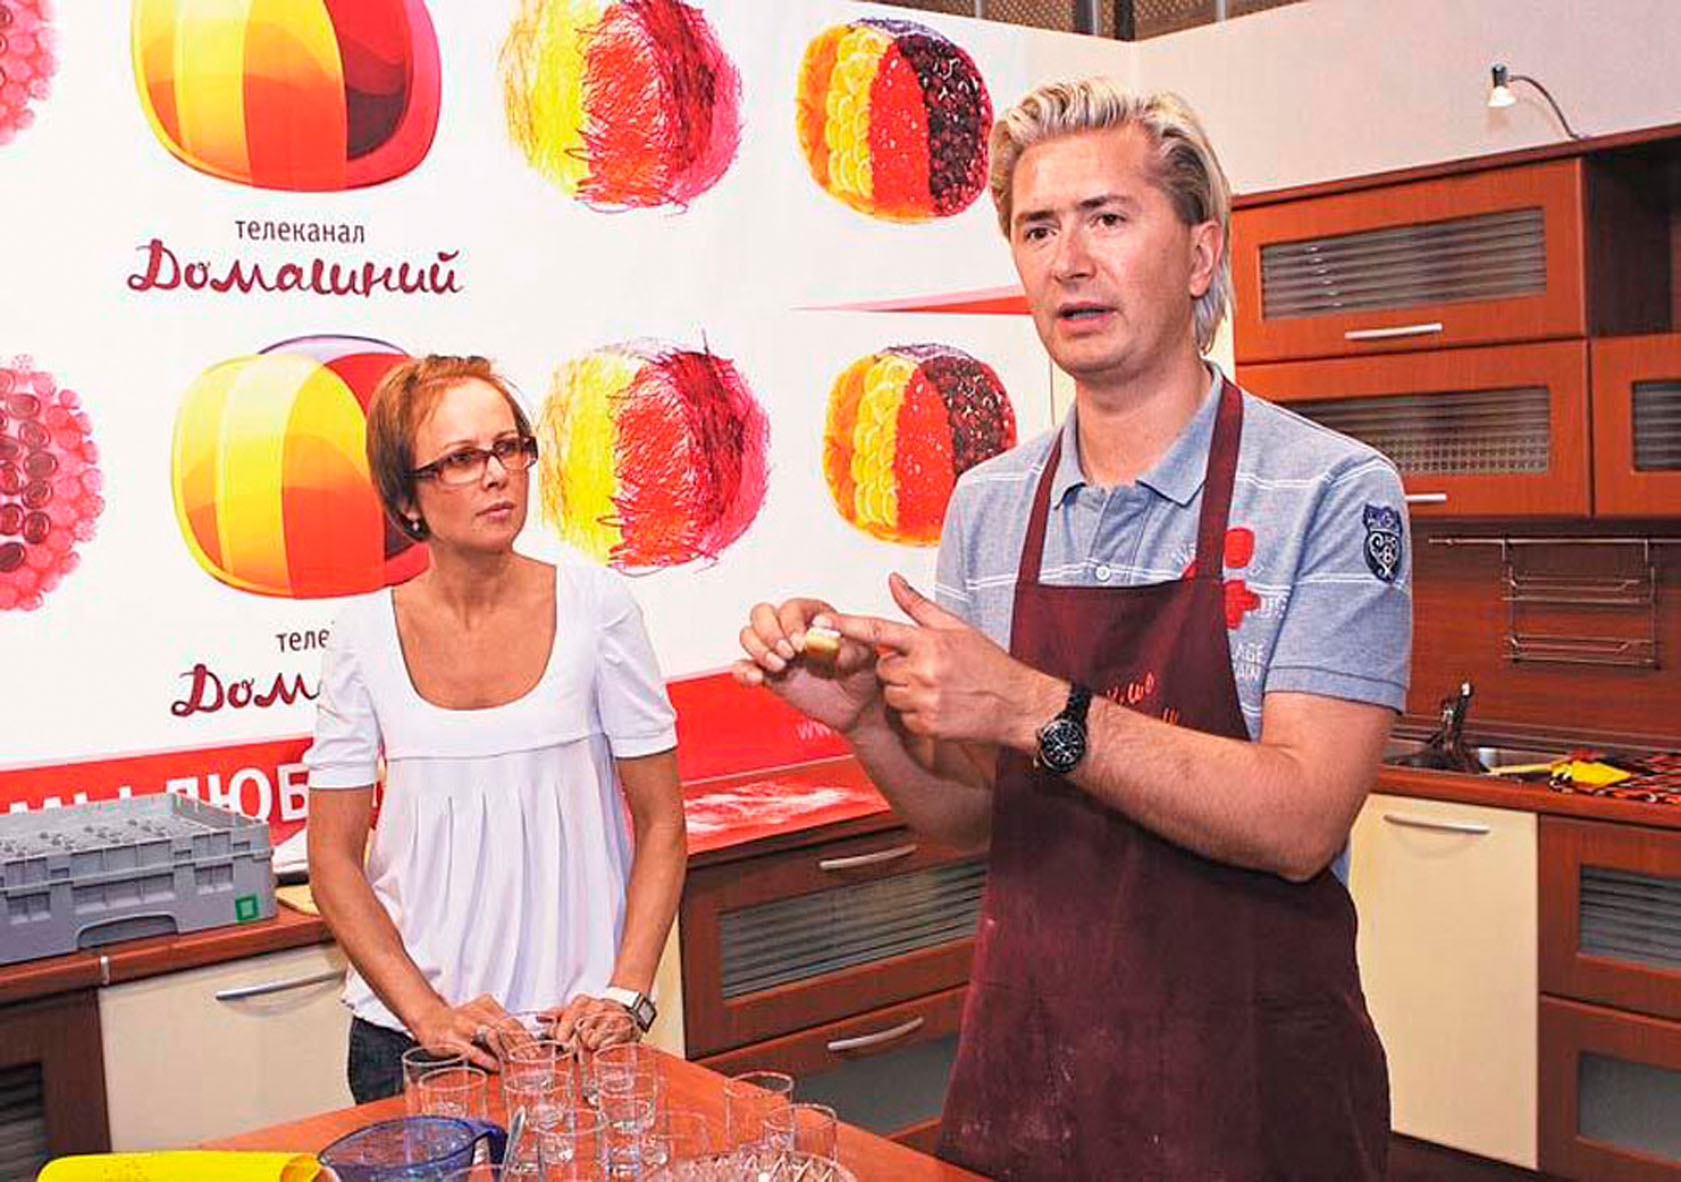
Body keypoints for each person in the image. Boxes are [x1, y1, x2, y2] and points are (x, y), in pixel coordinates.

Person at [735, 81, 1410, 1180]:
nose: (1068, 261)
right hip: (1036, 1085)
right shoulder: (989, 504)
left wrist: (1026, 703)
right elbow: (970, 817)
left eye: (1107, 218)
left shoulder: (1328, 491)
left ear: (1199, 255)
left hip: (1251, 1099)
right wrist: (866, 722)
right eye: (1037, 229)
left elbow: (1299, 818)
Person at [306, 355, 686, 1104]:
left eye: (509, 447)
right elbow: (332, 860)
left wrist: (626, 994)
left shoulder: (598, 608)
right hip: (412, 1042)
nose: (497, 475)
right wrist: (426, 1015)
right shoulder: (362, 634)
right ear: (406, 499)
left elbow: (663, 823)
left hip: (575, 1035)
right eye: (461, 459)